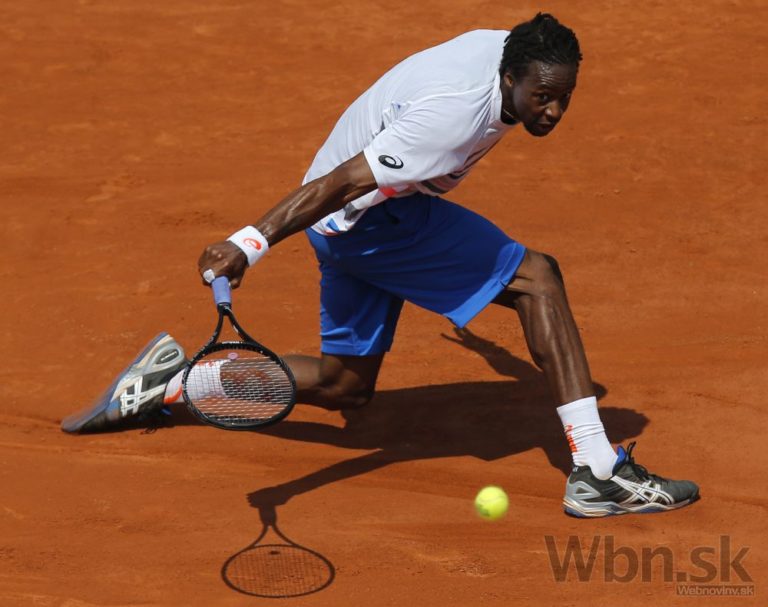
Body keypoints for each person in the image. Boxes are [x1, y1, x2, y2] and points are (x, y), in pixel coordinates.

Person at [62, 13, 699, 518]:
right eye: (543, 97)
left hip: (346, 226)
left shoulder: (514, 48)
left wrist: (494, 356)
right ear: (510, 78)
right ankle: (596, 472)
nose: (553, 112)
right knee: (538, 279)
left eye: (564, 97)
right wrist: (249, 242)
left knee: (344, 386)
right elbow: (345, 182)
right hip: (371, 221)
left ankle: (175, 384)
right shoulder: (450, 116)